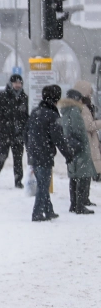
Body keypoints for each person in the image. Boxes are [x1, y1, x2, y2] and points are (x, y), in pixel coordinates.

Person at [26, 84, 77, 221]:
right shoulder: (52, 115)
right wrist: (68, 155)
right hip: (44, 154)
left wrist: (29, 150)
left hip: (34, 153)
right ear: (55, 98)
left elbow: (26, 133)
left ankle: (49, 211)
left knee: (42, 183)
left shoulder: (35, 111)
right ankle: (37, 213)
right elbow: (58, 139)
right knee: (43, 186)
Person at [59, 84, 99, 214]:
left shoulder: (66, 110)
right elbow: (80, 129)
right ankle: (80, 205)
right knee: (82, 176)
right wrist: (83, 143)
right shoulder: (75, 111)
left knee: (74, 177)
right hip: (80, 147)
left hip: (71, 147)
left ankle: (74, 204)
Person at [0, 74, 29, 188]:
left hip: (18, 134)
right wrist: (5, 121)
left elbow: (26, 115)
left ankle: (18, 181)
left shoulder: (24, 98)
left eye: (20, 83)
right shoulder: (2, 96)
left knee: (18, 158)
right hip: (5, 133)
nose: (18, 85)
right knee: (2, 156)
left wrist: (23, 127)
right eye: (16, 83)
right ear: (11, 84)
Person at [72, 80, 101, 204]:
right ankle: (82, 200)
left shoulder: (83, 106)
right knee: (84, 173)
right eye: (89, 92)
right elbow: (88, 125)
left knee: (87, 172)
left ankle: (84, 199)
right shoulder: (82, 108)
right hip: (87, 142)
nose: (90, 95)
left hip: (88, 142)